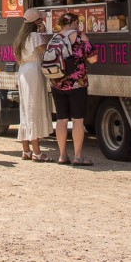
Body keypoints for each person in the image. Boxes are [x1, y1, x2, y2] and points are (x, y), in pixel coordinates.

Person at [49, 11, 98, 166]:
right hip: (77, 83)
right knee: (77, 120)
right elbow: (93, 58)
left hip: (57, 83)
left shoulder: (55, 38)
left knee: (61, 120)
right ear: (75, 23)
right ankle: (77, 156)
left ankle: (62, 155)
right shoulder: (80, 37)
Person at [13, 8, 54, 161]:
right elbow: (48, 51)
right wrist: (44, 34)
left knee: (25, 108)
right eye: (40, 20)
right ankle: (37, 151)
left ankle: (26, 150)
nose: (42, 21)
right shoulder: (35, 36)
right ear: (35, 22)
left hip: (23, 70)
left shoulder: (21, 37)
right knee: (34, 108)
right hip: (34, 71)